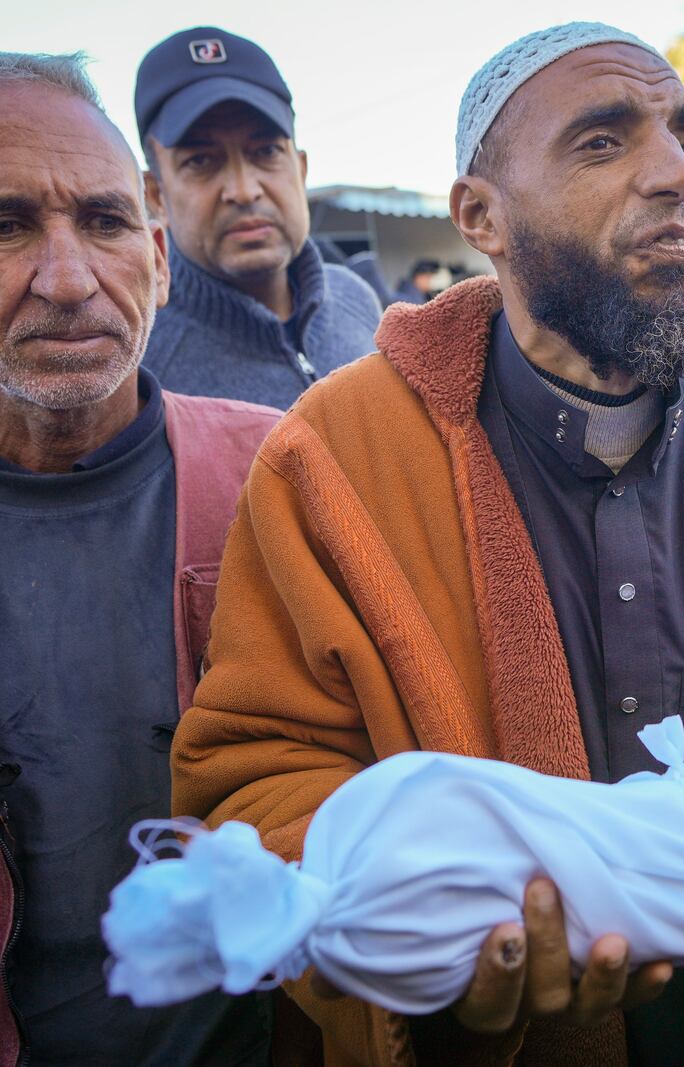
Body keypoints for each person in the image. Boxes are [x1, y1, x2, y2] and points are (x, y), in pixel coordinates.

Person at [170, 24, 684, 1067]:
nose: (673, 174)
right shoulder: (334, 460)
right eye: (602, 142)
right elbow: (255, 777)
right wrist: (439, 952)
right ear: (480, 217)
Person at [0, 51, 280, 1065]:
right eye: (6, 225)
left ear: (159, 259)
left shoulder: (283, 475)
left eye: (109, 223)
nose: (70, 279)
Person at [134, 26, 381, 408]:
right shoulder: (140, 373)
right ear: (156, 195)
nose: (244, 189)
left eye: (266, 151)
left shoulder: (354, 299)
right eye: (201, 161)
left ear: (300, 170)